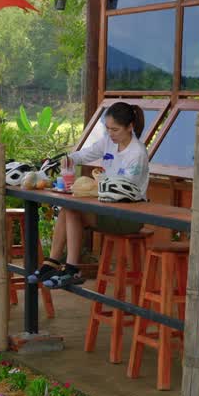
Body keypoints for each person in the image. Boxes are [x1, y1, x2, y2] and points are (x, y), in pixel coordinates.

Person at [32, 101, 149, 289]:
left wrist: (95, 187)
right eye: (108, 129)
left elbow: (125, 189)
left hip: (128, 215)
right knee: (67, 209)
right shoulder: (108, 142)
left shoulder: (137, 153)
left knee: (71, 210)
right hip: (106, 208)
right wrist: (68, 159)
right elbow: (85, 154)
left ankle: (71, 268)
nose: (110, 134)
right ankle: (53, 262)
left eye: (115, 130)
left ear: (130, 127)